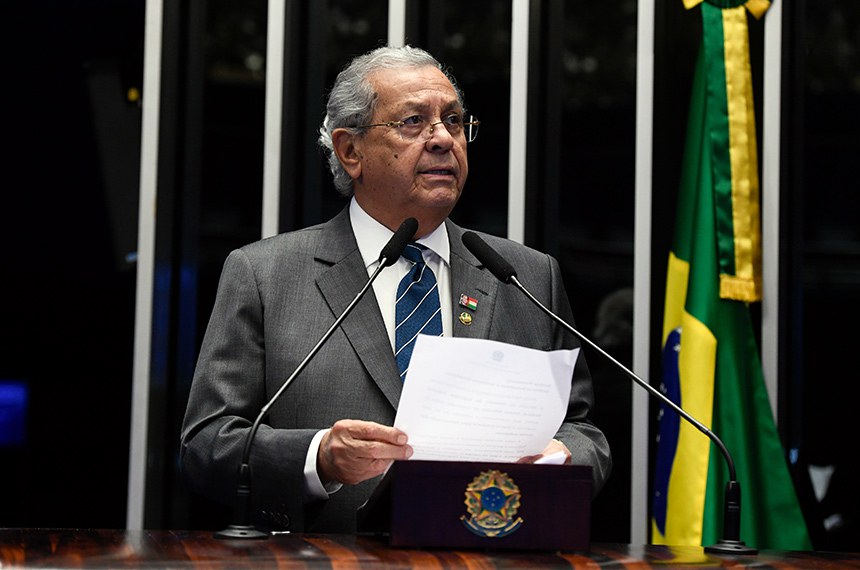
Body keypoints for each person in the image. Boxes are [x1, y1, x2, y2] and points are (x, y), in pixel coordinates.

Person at [180, 44, 612, 534]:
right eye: (413, 122)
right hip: (323, 559)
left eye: (454, 121)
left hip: (489, 554)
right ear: (351, 151)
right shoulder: (266, 274)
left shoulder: (526, 276)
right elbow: (207, 445)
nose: (443, 139)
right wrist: (319, 457)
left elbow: (583, 432)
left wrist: (562, 456)